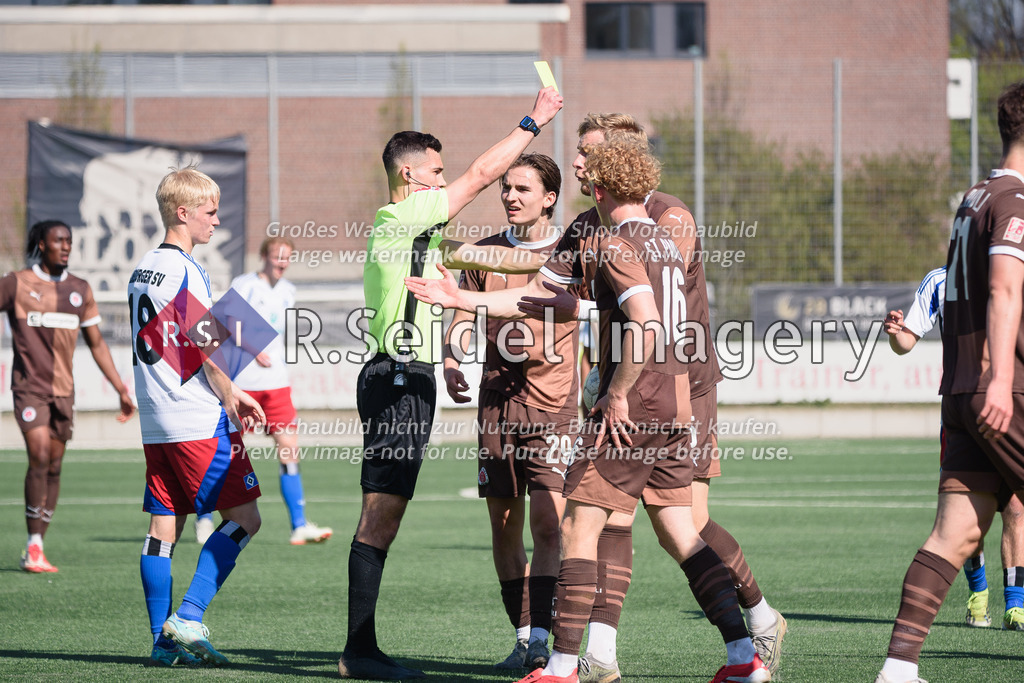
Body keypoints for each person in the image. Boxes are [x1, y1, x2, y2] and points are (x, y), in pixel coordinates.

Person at [409, 113, 785, 682]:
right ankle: (744, 659)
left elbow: (646, 322)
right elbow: (538, 293)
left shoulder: (624, 238)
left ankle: (562, 667)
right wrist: (459, 297)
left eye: (587, 158)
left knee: (579, 528)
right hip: (673, 407)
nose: (578, 165)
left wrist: (615, 394)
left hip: (640, 404)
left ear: (606, 176)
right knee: (679, 530)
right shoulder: (630, 234)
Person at [337, 86, 563, 681]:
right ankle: (359, 651)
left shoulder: (416, 231)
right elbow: (485, 172)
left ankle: (362, 648)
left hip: (405, 380)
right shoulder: (404, 214)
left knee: (385, 511)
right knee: (381, 513)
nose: (445, 180)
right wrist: (532, 121)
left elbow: (497, 264)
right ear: (410, 175)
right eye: (435, 171)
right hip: (397, 379)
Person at [876, 79, 1024, 683]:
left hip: (960, 392)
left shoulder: (975, 196)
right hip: (1004, 392)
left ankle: (898, 668)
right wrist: (1000, 376)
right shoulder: (1015, 201)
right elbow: (1003, 288)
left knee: (956, 533)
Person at [443, 153, 580, 671]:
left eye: (523, 188)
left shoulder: (570, 252)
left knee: (550, 525)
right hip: (496, 404)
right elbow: (459, 308)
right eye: (506, 187)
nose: (510, 196)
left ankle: (544, 638)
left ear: (549, 197)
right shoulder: (485, 252)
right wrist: (454, 357)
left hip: (553, 408)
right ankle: (523, 637)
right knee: (503, 523)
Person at [130, 165, 266, 668]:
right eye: (210, 212)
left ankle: (161, 643)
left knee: (163, 529)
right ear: (183, 213)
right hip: (195, 418)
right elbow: (204, 345)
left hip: (156, 416)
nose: (216, 220)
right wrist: (233, 394)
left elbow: (168, 341)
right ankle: (187, 616)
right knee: (247, 519)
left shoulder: (143, 266)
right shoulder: (186, 269)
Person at [885, 267, 1024, 630]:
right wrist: (895, 333)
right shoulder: (940, 280)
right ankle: (978, 596)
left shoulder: (1013, 272)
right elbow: (906, 342)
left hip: (1012, 406)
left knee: (1014, 506)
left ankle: (1016, 604)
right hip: (963, 411)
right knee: (967, 511)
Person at [0, 220, 134, 574]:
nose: (65, 246)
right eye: (58, 240)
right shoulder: (16, 284)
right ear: (41, 245)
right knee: (40, 456)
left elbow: (97, 343)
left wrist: (121, 388)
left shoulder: (79, 289)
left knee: (55, 466)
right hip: (29, 388)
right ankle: (33, 546)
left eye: (69, 241)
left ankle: (39, 544)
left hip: (64, 392)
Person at [198, 236, 332, 546]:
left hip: (277, 386)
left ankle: (298, 525)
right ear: (263, 257)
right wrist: (251, 348)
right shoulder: (246, 284)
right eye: (276, 257)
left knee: (289, 451)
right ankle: (204, 519)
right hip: (244, 385)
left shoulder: (289, 291)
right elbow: (223, 322)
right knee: (224, 453)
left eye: (287, 257)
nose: (281, 262)